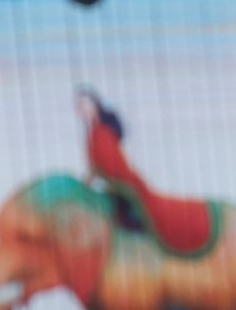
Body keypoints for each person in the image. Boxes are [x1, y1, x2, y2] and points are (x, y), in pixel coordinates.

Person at [76, 88, 215, 258]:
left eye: (85, 104)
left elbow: (108, 166)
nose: (82, 109)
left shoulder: (101, 132)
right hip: (116, 185)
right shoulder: (94, 133)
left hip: (125, 185)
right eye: (79, 105)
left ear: (95, 105)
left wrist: (90, 183)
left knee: (138, 217)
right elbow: (97, 167)